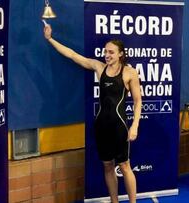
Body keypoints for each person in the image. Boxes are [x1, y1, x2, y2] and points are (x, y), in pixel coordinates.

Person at [44, 24, 142, 203]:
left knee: (125, 166)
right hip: (101, 126)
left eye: (111, 52)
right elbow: (73, 55)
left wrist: (134, 125)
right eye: (106, 51)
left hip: (120, 127)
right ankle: (114, 201)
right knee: (107, 166)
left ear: (120, 53)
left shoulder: (130, 73)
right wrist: (50, 39)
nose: (107, 54)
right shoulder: (99, 67)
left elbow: (138, 101)